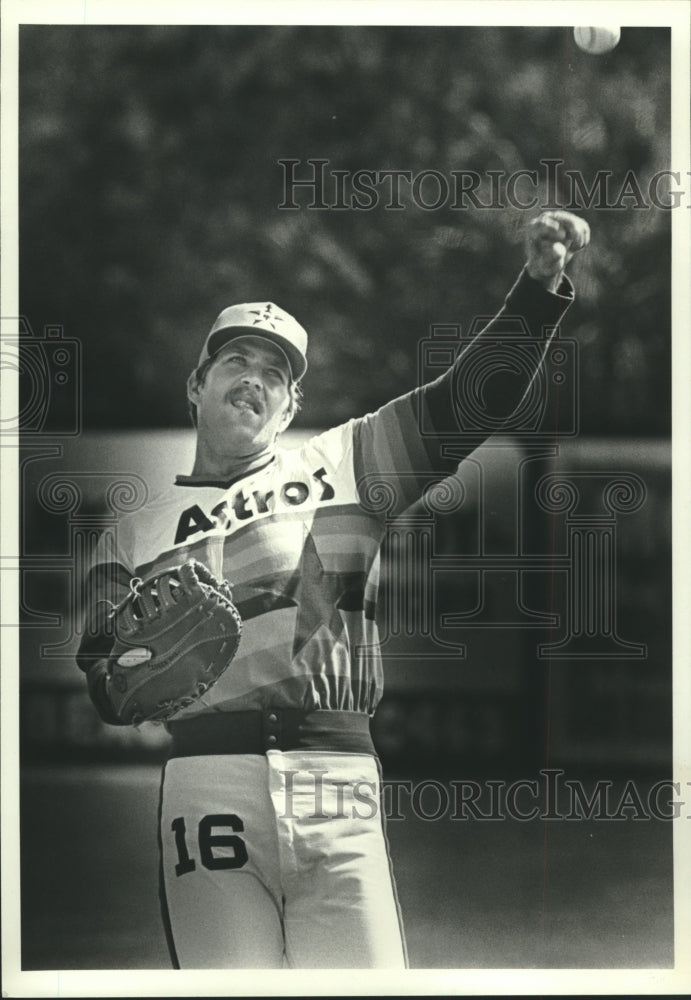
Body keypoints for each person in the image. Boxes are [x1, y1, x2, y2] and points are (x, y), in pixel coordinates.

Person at [77, 210, 589, 969]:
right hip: (206, 788)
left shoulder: (342, 463)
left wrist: (537, 289)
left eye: (276, 373)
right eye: (236, 361)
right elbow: (104, 682)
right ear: (196, 385)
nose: (254, 377)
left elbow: (466, 404)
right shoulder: (130, 533)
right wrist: (129, 673)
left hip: (336, 782)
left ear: (289, 407)